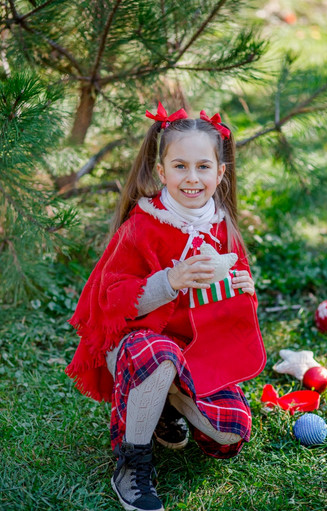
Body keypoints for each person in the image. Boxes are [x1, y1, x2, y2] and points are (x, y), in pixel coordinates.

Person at [65, 102, 266, 511]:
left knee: (230, 433)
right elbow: (111, 301)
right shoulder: (143, 225)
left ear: (220, 172)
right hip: (134, 347)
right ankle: (131, 461)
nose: (192, 178)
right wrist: (169, 282)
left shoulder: (222, 227)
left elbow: (230, 308)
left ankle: (166, 402)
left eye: (203, 167)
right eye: (180, 166)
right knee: (159, 356)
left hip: (197, 351)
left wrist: (244, 288)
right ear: (162, 172)